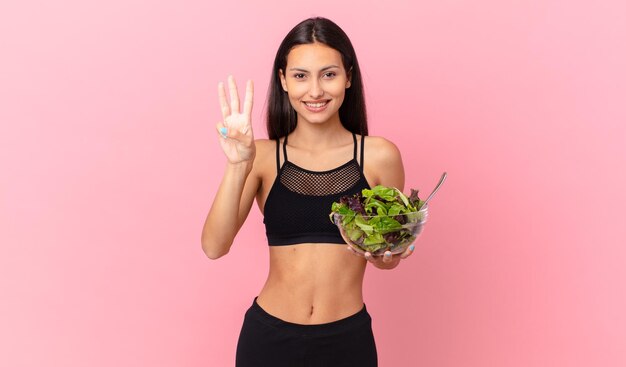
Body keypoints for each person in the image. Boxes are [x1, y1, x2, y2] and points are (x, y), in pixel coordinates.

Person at [201, 17, 415, 367]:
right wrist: (238, 164)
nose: (315, 91)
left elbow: (385, 253)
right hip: (268, 341)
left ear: (348, 77)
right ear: (284, 80)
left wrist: (384, 257)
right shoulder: (263, 157)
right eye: (301, 76)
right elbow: (214, 246)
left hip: (347, 342)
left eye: (328, 74)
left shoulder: (379, 156)